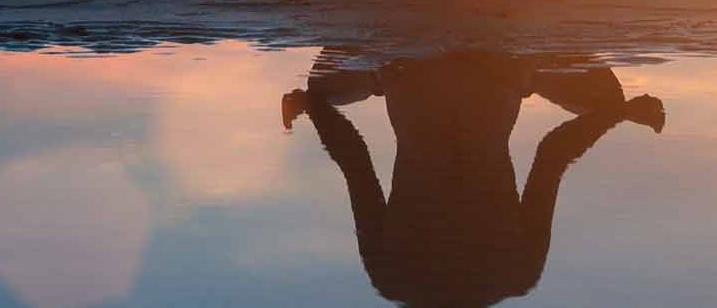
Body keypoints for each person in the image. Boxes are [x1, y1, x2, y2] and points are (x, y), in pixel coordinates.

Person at [282, 48, 665, 307]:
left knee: (608, 100)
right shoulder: (391, 278)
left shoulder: (517, 274)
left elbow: (552, 155)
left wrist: (617, 114)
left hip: (479, 68)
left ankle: (520, 72)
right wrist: (313, 106)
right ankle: (384, 74)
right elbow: (355, 163)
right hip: (427, 66)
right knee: (320, 89)